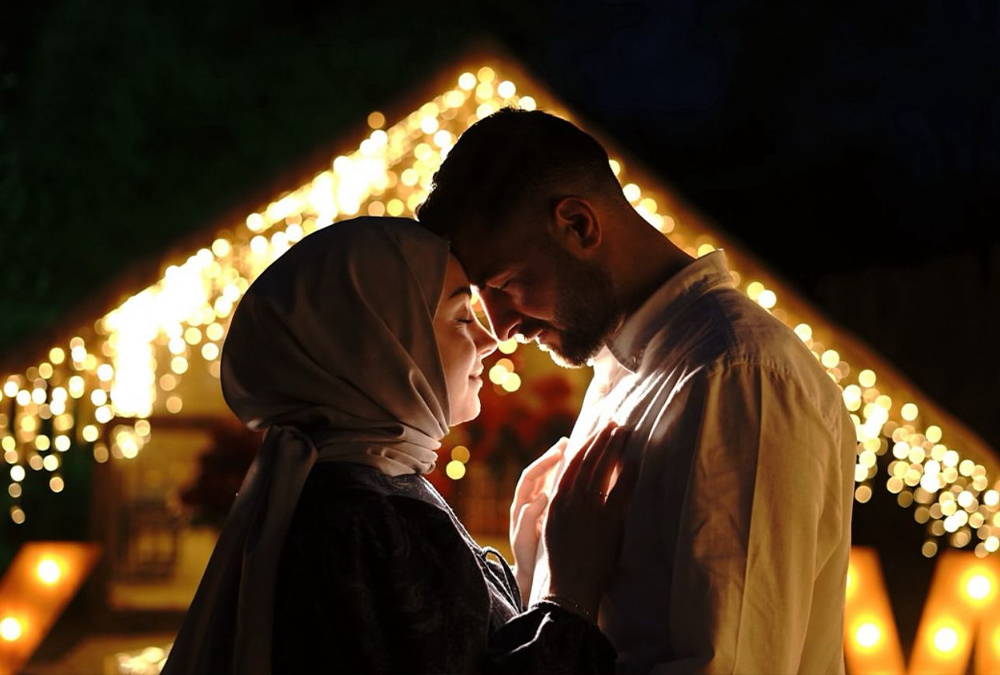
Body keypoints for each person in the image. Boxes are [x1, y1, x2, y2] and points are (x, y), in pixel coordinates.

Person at [417, 108, 857, 674]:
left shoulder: (737, 376)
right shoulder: (629, 372)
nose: (500, 329)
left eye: (504, 284)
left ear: (578, 225)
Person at [160, 217, 635, 675]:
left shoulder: (355, 493)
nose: (488, 344)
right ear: (380, 346)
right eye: (459, 317)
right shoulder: (366, 519)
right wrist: (570, 594)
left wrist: (528, 573)